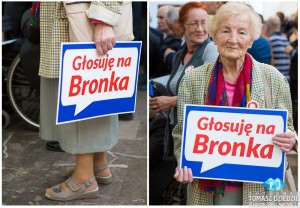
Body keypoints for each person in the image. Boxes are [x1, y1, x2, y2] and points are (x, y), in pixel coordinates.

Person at [172, 2, 297, 205]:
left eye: (241, 32)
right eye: (225, 31)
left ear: (251, 39)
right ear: (214, 35)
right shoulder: (192, 80)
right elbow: (181, 133)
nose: (233, 40)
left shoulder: (273, 78)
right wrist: (183, 162)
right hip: (207, 189)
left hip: (258, 188)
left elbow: (289, 127)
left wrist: (291, 140)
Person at [39, 2, 134, 201]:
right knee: (97, 90)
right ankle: (98, 164)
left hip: (87, 19)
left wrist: (105, 19)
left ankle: (84, 179)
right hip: (81, 17)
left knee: (82, 94)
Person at [149, 1, 218, 204]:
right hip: (174, 128)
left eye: (204, 23)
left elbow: (211, 95)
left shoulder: (210, 49)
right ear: (182, 26)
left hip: (197, 134)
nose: (200, 29)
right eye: (193, 23)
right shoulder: (180, 54)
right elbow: (175, 84)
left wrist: (170, 101)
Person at [265, 16, 291, 82]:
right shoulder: (286, 40)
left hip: (275, 80)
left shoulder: (269, 41)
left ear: (268, 27)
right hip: (286, 79)